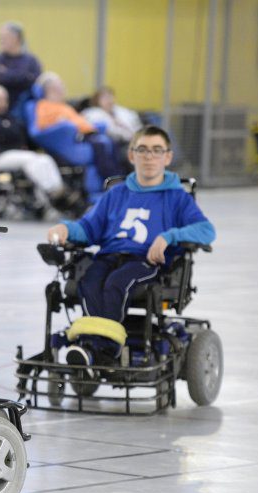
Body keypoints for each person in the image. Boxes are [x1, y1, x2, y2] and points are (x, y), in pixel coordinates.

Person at [46, 126, 215, 365]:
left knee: (118, 283)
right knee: (88, 282)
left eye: (157, 150)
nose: (149, 156)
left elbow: (207, 231)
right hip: (109, 256)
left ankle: (104, 350)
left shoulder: (177, 197)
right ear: (131, 155)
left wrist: (169, 237)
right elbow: (88, 228)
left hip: (145, 261)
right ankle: (90, 345)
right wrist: (65, 228)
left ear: (167, 156)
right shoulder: (116, 194)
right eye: (142, 150)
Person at [0, 84, 69, 211]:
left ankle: (58, 189)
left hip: (13, 153)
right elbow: (11, 132)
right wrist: (9, 129)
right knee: (29, 160)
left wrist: (9, 128)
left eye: (4, 100)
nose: (2, 103)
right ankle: (49, 190)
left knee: (44, 158)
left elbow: (18, 131)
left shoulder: (8, 117)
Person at [0, 22, 42, 114]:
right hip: (0, 110)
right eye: (0, 37)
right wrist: (21, 76)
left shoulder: (31, 61)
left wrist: (7, 73)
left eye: (5, 37)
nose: (1, 41)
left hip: (24, 108)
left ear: (16, 39)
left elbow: (35, 81)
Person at [81, 86, 142, 158]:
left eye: (110, 97)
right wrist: (129, 135)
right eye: (105, 98)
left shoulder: (124, 112)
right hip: (117, 143)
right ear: (97, 100)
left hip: (133, 140)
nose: (109, 100)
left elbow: (137, 126)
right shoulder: (92, 114)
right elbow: (110, 131)